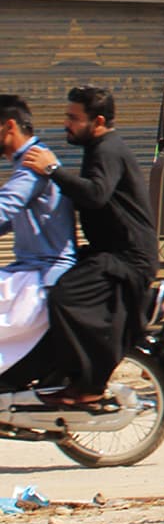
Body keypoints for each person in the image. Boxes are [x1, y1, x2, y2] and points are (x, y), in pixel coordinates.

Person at [19, 86, 156, 405]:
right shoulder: (98, 148)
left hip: (126, 258)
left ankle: (90, 384)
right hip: (109, 253)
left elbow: (95, 194)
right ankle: (57, 375)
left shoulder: (108, 149)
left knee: (66, 297)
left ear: (97, 121)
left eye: (73, 118)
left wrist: (52, 170)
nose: (65, 123)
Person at [0, 95, 77, 378]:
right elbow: (9, 219)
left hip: (42, 275)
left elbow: (4, 207)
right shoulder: (27, 164)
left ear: (9, 126)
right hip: (29, 271)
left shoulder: (33, 165)